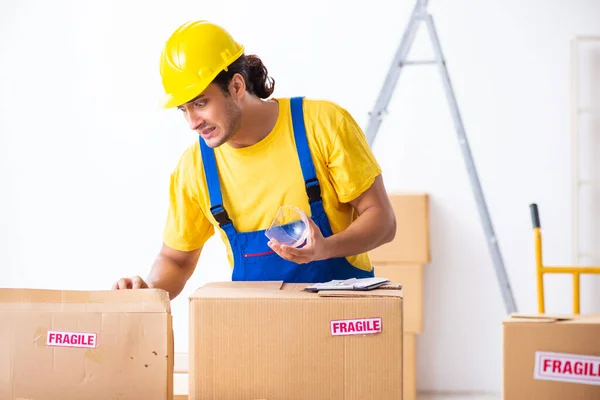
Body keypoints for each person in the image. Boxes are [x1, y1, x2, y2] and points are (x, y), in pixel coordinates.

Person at [112, 20, 397, 300]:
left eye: (200, 103)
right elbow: (176, 260)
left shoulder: (320, 125)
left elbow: (382, 220)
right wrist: (148, 291)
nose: (193, 122)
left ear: (236, 86)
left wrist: (326, 248)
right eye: (184, 109)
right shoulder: (196, 167)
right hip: (260, 329)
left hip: (341, 321)